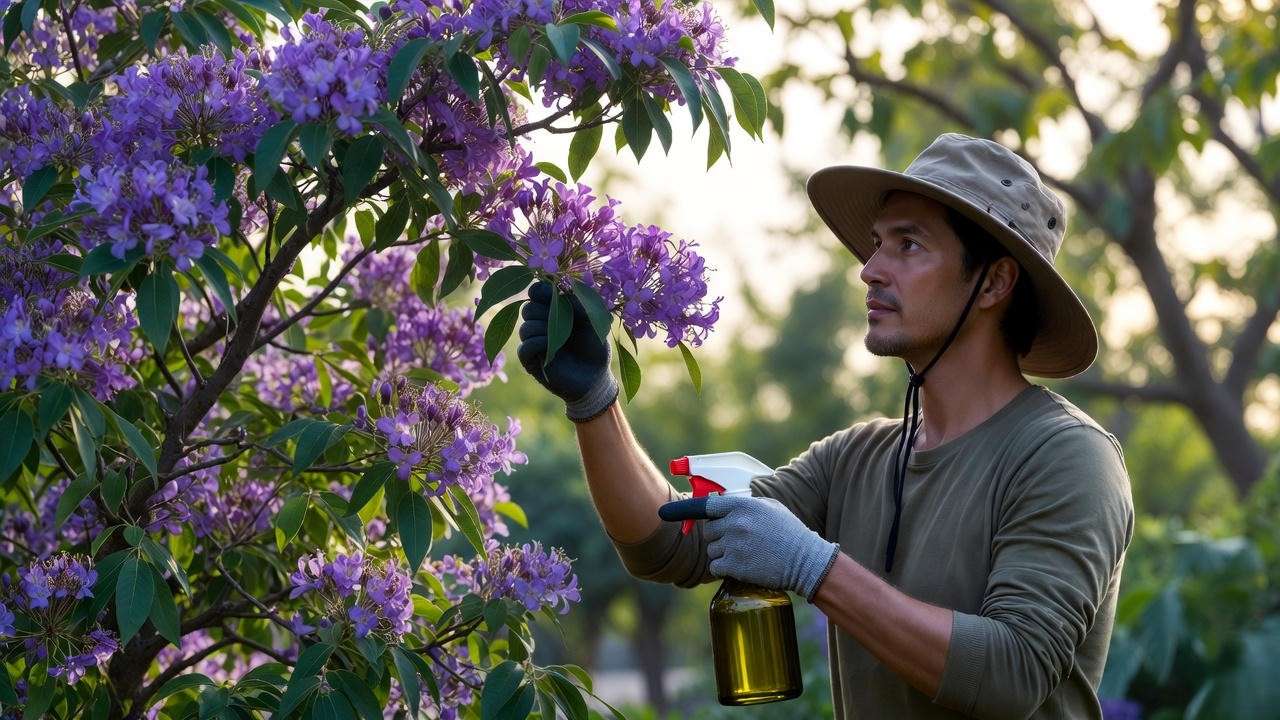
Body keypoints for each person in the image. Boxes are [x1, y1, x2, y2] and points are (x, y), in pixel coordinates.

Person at [515, 132, 1134, 719]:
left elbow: (1012, 674)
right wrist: (595, 401)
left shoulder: (1067, 458)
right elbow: (668, 546)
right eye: (877, 243)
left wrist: (814, 567)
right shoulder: (855, 458)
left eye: (908, 245)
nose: (870, 268)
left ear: (994, 281)